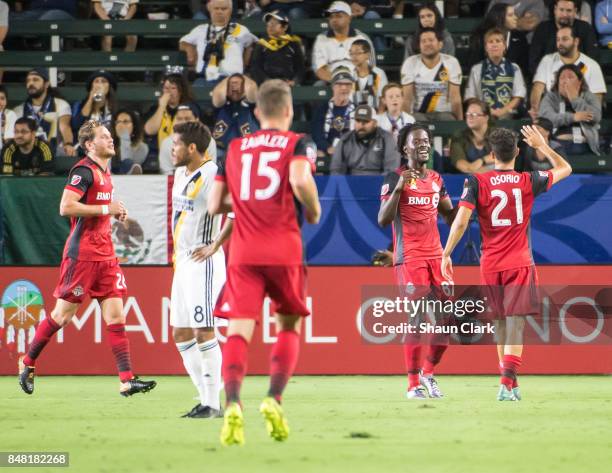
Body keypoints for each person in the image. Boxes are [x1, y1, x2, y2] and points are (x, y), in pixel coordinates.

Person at [208, 79, 321, 446]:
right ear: (288, 110)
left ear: (257, 112)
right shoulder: (297, 142)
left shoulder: (236, 147)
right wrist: (314, 208)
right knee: (287, 325)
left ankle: (233, 404)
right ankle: (273, 399)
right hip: (283, 248)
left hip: (243, 252)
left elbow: (214, 205)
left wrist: (243, 204)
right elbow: (300, 178)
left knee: (239, 331)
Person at [18, 120, 157, 397]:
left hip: (106, 255)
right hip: (82, 256)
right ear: (90, 145)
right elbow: (65, 207)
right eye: (105, 137)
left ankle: (127, 379)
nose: (111, 139)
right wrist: (107, 207)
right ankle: (28, 362)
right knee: (62, 316)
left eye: (110, 135)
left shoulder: (105, 173)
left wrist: (112, 212)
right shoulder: (83, 170)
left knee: (116, 315)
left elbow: (95, 208)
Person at [442, 126, 572, 401]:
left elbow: (462, 220)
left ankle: (509, 384)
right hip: (519, 261)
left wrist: (446, 253)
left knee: (500, 323)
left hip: (490, 263)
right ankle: (506, 383)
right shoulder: (529, 180)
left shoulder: (476, 182)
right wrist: (544, 147)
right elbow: (566, 169)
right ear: (517, 152)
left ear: (491, 154)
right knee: (515, 324)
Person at [378, 123, 457, 399]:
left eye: (426, 141)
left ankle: (429, 373)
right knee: (416, 319)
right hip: (410, 257)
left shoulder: (436, 178)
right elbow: (383, 219)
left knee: (446, 323)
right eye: (417, 141)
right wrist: (399, 188)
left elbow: (449, 215)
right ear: (404, 148)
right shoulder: (394, 177)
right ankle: (412, 384)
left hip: (438, 257)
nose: (423, 145)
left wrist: (470, 204)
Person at [170, 121, 234, 419]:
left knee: (203, 329)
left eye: (177, 145)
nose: (172, 150)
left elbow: (235, 212)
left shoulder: (213, 174)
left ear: (192, 148)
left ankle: (211, 403)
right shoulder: (181, 172)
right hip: (181, 260)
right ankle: (207, 396)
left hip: (202, 260)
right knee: (181, 333)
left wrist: (215, 245)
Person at [530, 25, 606, 116]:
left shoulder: (591, 65)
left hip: (581, 116)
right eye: (558, 39)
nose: (560, 43)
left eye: (565, 39)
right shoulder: (547, 60)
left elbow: (597, 99)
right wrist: (535, 109)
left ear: (576, 41)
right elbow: (537, 89)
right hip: (552, 116)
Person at [179, 0, 257, 85]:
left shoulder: (241, 29)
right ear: (210, 9)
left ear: (230, 11)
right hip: (204, 78)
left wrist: (245, 64)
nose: (219, 11)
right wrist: (189, 50)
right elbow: (183, 42)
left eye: (224, 9)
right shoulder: (200, 29)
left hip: (232, 79)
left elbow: (252, 44)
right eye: (216, 8)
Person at [401, 28, 463, 121]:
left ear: (440, 44)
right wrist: (403, 124)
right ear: (419, 46)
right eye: (423, 41)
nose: (427, 44)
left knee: (446, 119)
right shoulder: (410, 62)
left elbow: (455, 99)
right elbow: (406, 99)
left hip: (444, 113)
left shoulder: (451, 62)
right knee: (416, 121)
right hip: (419, 113)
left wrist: (460, 123)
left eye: (431, 40)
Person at [538, 64, 601, 155]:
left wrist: (575, 99)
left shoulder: (588, 96)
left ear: (580, 82)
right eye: (562, 78)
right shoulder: (550, 97)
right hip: (556, 145)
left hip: (586, 146)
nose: (566, 81)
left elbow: (595, 116)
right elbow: (545, 120)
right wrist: (573, 117)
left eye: (570, 77)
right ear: (557, 82)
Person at [465, 28, 527, 119]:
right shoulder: (476, 69)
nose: (494, 44)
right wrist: (488, 111)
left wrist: (502, 111)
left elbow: (518, 96)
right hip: (483, 113)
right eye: (490, 42)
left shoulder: (514, 68)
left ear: (504, 46)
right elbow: (471, 97)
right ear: (486, 47)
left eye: (498, 41)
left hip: (509, 112)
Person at [14, 68, 75, 158]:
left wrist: (68, 144)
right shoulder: (19, 109)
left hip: (54, 152)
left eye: (35, 79)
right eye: (28, 80)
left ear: (46, 84)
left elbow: (65, 127)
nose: (31, 83)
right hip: (28, 153)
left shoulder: (60, 104)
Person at [311, 1, 375, 84]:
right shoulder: (321, 39)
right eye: (331, 17)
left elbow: (370, 65)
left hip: (357, 80)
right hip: (331, 81)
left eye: (338, 16)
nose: (334, 20)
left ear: (349, 18)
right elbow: (319, 69)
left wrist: (352, 81)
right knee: (318, 85)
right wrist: (340, 82)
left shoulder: (361, 37)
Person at [529, 0, 599, 74]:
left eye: (569, 10)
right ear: (555, 9)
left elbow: (592, 59)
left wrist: (575, 75)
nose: (565, 14)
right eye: (561, 10)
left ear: (575, 11)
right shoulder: (542, 28)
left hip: (579, 78)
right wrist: (547, 78)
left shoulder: (585, 28)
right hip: (548, 79)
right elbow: (534, 61)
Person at [330, 104, 400, 175]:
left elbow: (391, 169)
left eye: (366, 121)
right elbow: (336, 169)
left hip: (378, 181)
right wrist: (344, 185)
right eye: (358, 121)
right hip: (351, 182)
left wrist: (380, 184)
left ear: (375, 123)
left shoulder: (386, 139)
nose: (361, 125)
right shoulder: (346, 139)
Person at [311, 66, 356, 169]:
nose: (344, 88)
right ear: (333, 86)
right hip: (327, 150)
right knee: (318, 154)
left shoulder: (357, 109)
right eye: (339, 84)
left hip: (351, 152)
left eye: (347, 84)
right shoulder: (322, 109)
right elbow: (317, 134)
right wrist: (327, 148)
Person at [468, 3, 529, 77]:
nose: (515, 18)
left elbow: (524, 67)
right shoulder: (481, 36)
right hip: (485, 80)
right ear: (499, 17)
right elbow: (474, 63)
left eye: (515, 14)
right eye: (510, 15)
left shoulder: (520, 37)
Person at [144, 73, 200, 151]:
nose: (169, 92)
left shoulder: (190, 107)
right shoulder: (156, 108)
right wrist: (161, 107)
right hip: (158, 153)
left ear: (181, 91)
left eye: (173, 88)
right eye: (166, 88)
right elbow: (149, 130)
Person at [249, 10, 305, 86]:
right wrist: (267, 80)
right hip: (267, 84)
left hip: (289, 83)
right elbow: (255, 67)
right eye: (268, 23)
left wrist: (294, 81)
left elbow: (300, 68)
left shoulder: (294, 43)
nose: (270, 25)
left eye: (274, 23)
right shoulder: (262, 44)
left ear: (285, 27)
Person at [159, 105, 216, 175]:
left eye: (188, 118)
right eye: (179, 119)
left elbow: (211, 171)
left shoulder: (209, 141)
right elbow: (167, 174)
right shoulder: (167, 143)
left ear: (197, 120)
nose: (183, 122)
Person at [211, 74, 259, 157]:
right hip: (221, 149)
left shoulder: (251, 105)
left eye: (238, 84)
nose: (234, 87)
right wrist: (228, 79)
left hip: (246, 149)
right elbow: (218, 97)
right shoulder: (222, 104)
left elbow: (252, 93)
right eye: (231, 84)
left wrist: (242, 77)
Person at [450, 99, 496, 174]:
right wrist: (477, 171)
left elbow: (504, 156)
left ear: (486, 118)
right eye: (468, 114)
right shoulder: (459, 136)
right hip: (469, 178)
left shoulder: (499, 135)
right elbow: (460, 163)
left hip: (496, 179)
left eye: (474, 114)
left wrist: (482, 160)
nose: (469, 117)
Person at [71, 71, 117, 135]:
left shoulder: (117, 108)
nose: (100, 85)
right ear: (92, 86)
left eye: (103, 81)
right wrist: (90, 99)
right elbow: (76, 125)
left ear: (109, 87)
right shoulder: (79, 105)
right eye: (96, 81)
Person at [349, 39, 388, 109]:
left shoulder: (378, 73)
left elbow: (383, 99)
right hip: (353, 114)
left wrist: (379, 117)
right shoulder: (349, 75)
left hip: (374, 114)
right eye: (351, 53)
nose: (354, 56)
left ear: (367, 55)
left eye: (358, 53)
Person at [111, 109, 149, 174]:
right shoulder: (108, 145)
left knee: (128, 162)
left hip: (131, 181)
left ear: (134, 126)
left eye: (125, 122)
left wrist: (124, 137)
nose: (121, 125)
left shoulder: (142, 147)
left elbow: (127, 166)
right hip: (110, 180)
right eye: (118, 122)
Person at [0, 85, 18, 153]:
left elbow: (9, 139)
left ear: (6, 100)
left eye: (2, 98)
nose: (0, 102)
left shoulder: (10, 114)